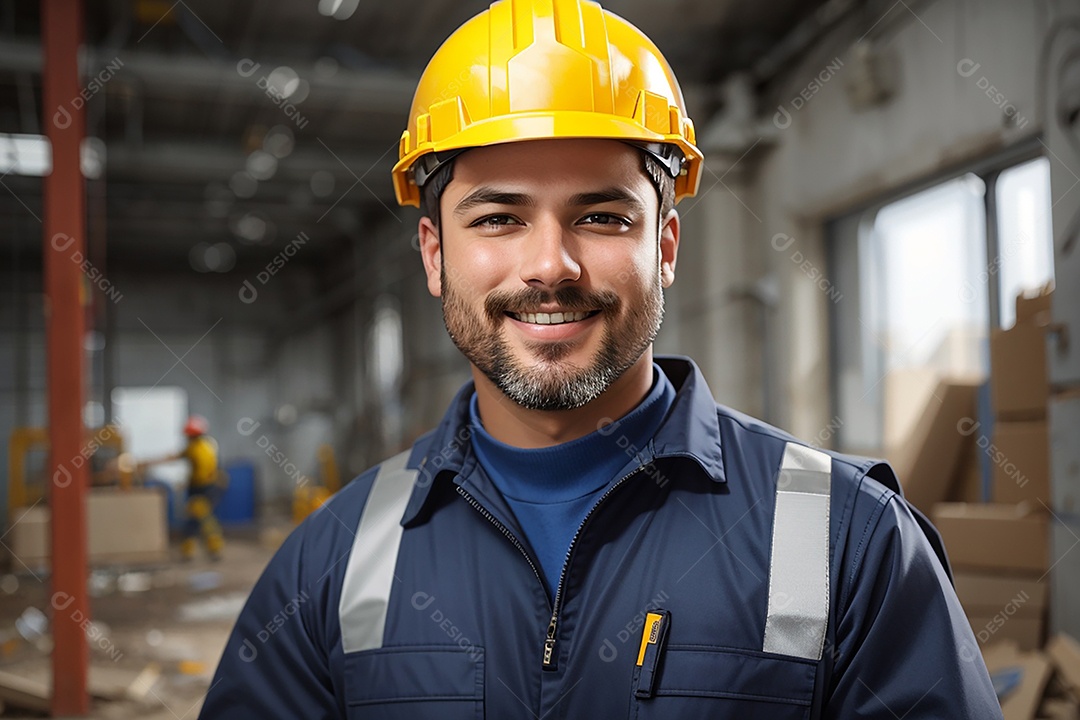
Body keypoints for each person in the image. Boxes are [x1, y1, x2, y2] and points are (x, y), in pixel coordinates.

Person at [200, 1, 1002, 717]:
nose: (551, 266)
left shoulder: (848, 540)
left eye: (604, 217)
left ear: (666, 246)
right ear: (434, 252)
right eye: (499, 220)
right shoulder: (330, 563)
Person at [141, 415, 225, 561]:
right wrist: (150, 461)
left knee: (202, 519)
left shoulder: (203, 449)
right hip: (198, 488)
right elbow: (179, 456)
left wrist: (190, 484)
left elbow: (206, 473)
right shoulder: (194, 447)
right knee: (194, 521)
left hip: (205, 489)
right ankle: (194, 551)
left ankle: (212, 549)